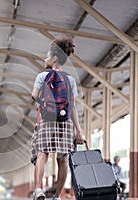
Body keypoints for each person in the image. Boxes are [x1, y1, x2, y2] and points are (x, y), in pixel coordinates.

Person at [31, 36, 84, 200]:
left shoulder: (42, 76)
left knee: (42, 154)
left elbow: (34, 96)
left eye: (47, 56)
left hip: (47, 121)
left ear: (54, 58)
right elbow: (72, 107)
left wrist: (47, 104)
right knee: (63, 159)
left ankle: (39, 189)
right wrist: (78, 132)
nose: (45, 59)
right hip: (65, 124)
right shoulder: (70, 80)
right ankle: (57, 196)